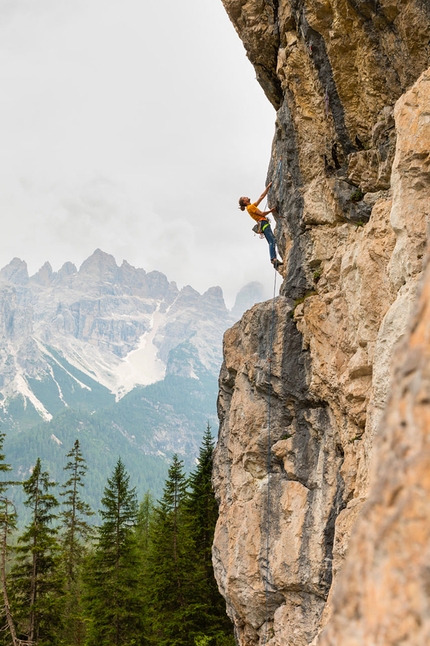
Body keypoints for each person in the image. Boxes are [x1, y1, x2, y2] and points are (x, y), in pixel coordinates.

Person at [238, 182, 283, 271]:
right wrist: (271, 211)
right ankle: (273, 259)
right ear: (245, 202)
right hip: (263, 223)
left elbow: (261, 197)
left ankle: (273, 259)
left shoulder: (251, 206)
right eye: (244, 198)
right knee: (272, 241)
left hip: (262, 223)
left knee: (272, 240)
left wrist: (268, 188)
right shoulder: (250, 207)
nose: (246, 197)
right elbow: (262, 213)